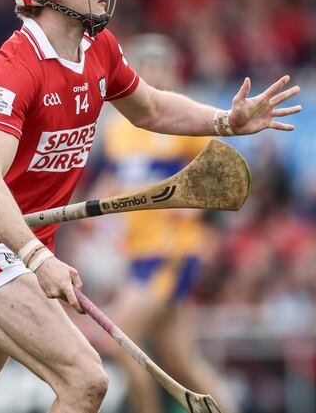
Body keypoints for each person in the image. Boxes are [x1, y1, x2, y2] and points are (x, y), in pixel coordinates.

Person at [0, 0, 301, 413]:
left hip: (22, 247)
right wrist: (38, 259)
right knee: (86, 381)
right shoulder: (13, 69)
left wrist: (224, 121)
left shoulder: (98, 46)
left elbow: (151, 108)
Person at [95, 33, 239, 413]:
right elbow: (114, 177)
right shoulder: (117, 129)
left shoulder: (180, 121)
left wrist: (194, 206)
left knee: (118, 338)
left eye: (162, 65)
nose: (156, 73)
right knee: (179, 361)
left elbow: (221, 174)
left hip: (171, 251)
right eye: (147, 65)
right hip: (138, 252)